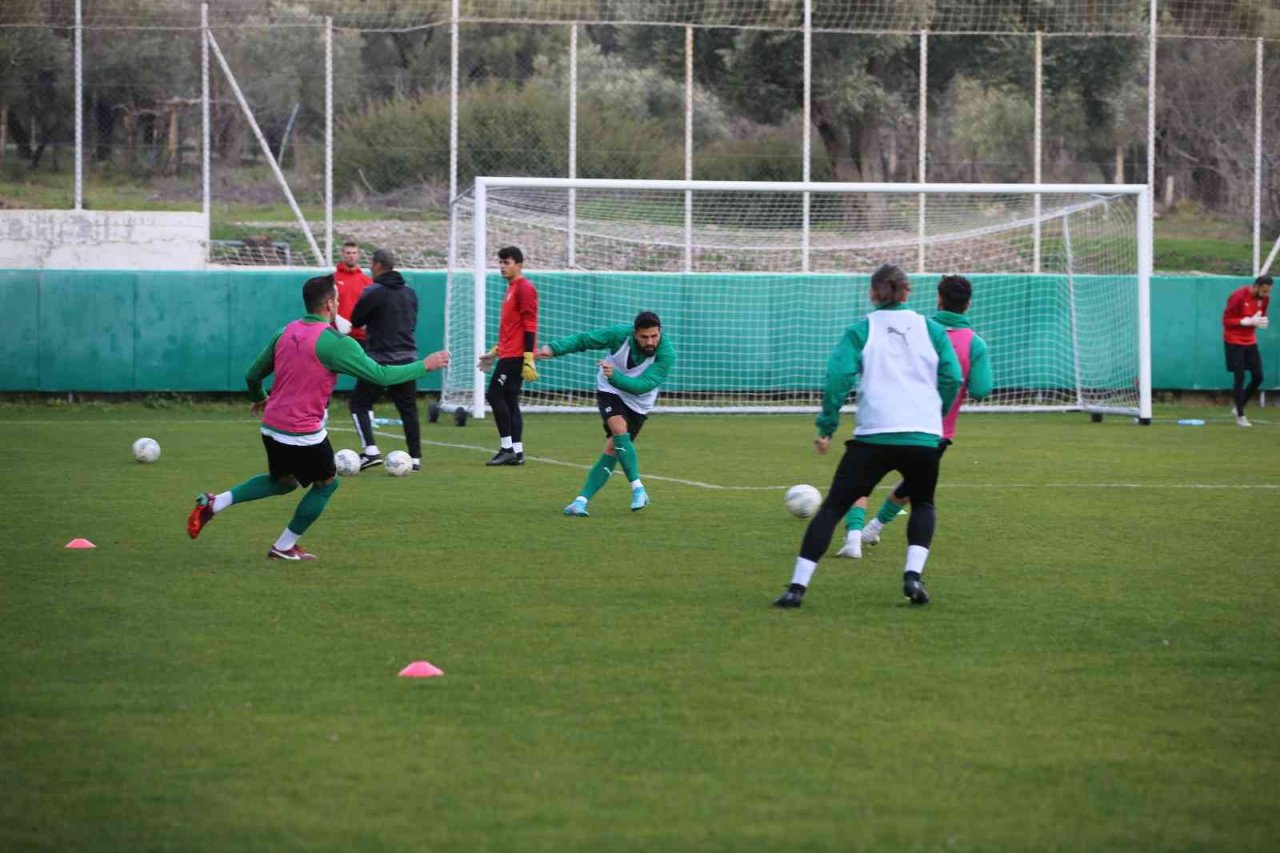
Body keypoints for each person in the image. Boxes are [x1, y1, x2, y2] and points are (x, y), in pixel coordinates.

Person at [186, 274, 449, 559]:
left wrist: (260, 398)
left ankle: (214, 503)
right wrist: (425, 365)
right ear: (329, 304)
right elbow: (381, 374)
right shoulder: (335, 343)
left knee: (284, 482)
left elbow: (252, 375)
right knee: (327, 484)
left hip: (272, 427)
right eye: (337, 298)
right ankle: (284, 547)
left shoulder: (285, 331)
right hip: (301, 433)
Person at [774, 264, 962, 608]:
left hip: (874, 437)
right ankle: (912, 579)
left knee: (832, 508)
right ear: (907, 292)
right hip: (922, 437)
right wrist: (935, 413)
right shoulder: (932, 330)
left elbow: (838, 376)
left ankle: (796, 588)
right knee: (923, 503)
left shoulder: (861, 330)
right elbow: (952, 376)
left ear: (872, 292)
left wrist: (826, 426)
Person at [835, 275, 993, 558]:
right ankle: (877, 527)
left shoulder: (919, 330)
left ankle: (856, 535)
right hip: (934, 432)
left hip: (885, 418)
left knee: (861, 480)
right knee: (915, 485)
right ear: (969, 304)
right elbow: (981, 390)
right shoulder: (974, 344)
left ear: (938, 299)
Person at [535, 311, 674, 515]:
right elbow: (585, 340)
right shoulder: (619, 335)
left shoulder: (666, 354)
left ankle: (580, 502)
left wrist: (615, 376)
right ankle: (638, 488)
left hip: (638, 402)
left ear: (660, 332)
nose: (650, 341)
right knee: (618, 428)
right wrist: (553, 349)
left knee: (612, 450)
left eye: (654, 336)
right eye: (644, 337)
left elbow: (643, 385)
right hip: (610, 390)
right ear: (635, 333)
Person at [348, 248, 423, 471]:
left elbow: (356, 320)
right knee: (408, 409)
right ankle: (416, 458)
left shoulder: (373, 292)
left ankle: (370, 451)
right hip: (408, 358)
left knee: (359, 404)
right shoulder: (410, 293)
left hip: (380, 360)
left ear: (378, 265)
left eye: (371, 264)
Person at [476, 246, 539, 466]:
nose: (502, 267)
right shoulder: (511, 288)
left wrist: (528, 357)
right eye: (501, 262)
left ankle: (506, 448)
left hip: (515, 356)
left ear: (519, 264)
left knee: (494, 395)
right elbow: (511, 330)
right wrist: (494, 353)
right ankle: (517, 452)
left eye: (507, 262)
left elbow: (530, 324)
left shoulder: (524, 288)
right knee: (510, 400)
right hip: (509, 353)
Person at [1222, 273, 1271, 427]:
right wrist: (1244, 321)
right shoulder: (1238, 296)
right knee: (1240, 376)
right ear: (1255, 286)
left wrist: (1260, 322)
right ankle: (1241, 416)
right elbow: (1226, 320)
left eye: (1268, 292)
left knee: (1258, 376)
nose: (1266, 295)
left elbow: (1260, 316)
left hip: (1250, 341)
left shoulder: (1264, 299)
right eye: (1263, 291)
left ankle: (1238, 406)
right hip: (1233, 340)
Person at [333, 241, 372, 344]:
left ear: (358, 255)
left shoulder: (367, 281)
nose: (351, 256)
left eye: (354, 253)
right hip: (338, 336)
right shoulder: (333, 280)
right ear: (342, 254)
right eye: (348, 253)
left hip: (361, 337)